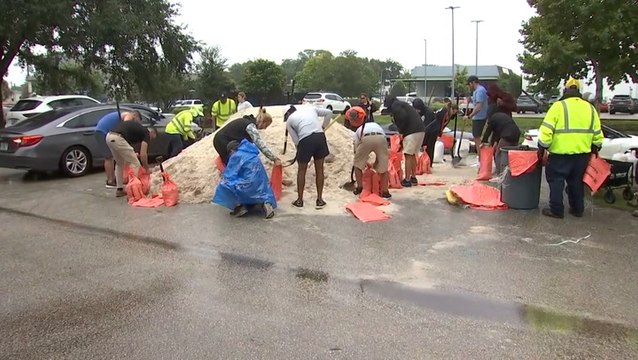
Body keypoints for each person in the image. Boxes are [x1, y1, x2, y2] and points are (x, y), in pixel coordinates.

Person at [538, 77, 603, 219]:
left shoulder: (558, 106)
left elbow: (547, 130)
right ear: (578, 91)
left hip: (560, 154)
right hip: (582, 154)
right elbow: (597, 131)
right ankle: (577, 209)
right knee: (576, 181)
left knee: (556, 180)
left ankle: (556, 210)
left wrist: (542, 148)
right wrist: (596, 146)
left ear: (565, 90)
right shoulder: (590, 108)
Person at [284, 105, 332, 209]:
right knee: (319, 169)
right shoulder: (311, 108)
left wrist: (300, 154)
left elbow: (297, 142)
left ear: (287, 114)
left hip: (305, 140)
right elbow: (329, 112)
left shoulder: (289, 121)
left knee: (302, 170)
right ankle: (320, 200)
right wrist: (323, 127)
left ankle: (300, 201)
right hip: (320, 137)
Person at [217, 140, 276, 219]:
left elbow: (230, 174)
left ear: (231, 150)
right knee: (253, 183)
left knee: (227, 184)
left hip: (248, 185)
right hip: (262, 184)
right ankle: (266, 203)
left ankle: (242, 206)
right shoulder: (252, 153)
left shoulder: (236, 156)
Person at [346, 107, 391, 198]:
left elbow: (356, 146)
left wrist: (358, 159)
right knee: (384, 167)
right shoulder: (376, 125)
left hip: (366, 137)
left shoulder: (359, 130)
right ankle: (385, 191)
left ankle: (359, 187)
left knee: (358, 165)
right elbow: (384, 138)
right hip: (381, 138)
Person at [106, 121, 157, 198]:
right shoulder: (146, 132)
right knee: (135, 163)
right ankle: (134, 190)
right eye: (152, 138)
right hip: (118, 138)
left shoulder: (137, 130)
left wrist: (133, 154)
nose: (150, 140)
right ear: (152, 133)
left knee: (119, 163)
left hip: (109, 136)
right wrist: (146, 168)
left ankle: (119, 189)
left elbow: (126, 145)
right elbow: (143, 154)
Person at [213, 109, 281, 166]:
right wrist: (274, 158)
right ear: (263, 122)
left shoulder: (247, 121)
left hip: (219, 139)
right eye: (266, 126)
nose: (264, 128)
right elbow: (260, 144)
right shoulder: (250, 126)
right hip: (222, 142)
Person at [384, 96, 426, 187]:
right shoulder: (403, 104)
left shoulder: (396, 106)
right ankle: (413, 178)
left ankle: (407, 180)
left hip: (412, 131)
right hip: (421, 130)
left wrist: (401, 131)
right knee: (413, 154)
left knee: (407, 155)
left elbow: (403, 118)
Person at [95, 110, 141, 188]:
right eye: (136, 121)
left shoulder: (122, 115)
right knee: (108, 157)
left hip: (105, 132)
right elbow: (126, 125)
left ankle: (114, 179)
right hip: (102, 132)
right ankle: (110, 181)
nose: (135, 124)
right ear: (135, 116)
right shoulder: (128, 115)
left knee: (116, 159)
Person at [463, 76, 489, 162]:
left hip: (479, 117)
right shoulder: (476, 92)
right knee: (476, 137)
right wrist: (470, 100)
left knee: (477, 138)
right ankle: (481, 158)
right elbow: (476, 102)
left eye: (469, 84)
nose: (469, 86)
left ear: (473, 82)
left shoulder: (480, 91)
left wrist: (469, 116)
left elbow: (479, 106)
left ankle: (482, 159)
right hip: (477, 117)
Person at [412, 98, 438, 167]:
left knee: (429, 147)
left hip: (433, 130)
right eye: (416, 109)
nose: (417, 111)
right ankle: (423, 162)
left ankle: (429, 164)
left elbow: (427, 126)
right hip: (424, 129)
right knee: (422, 146)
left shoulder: (428, 112)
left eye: (418, 109)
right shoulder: (416, 112)